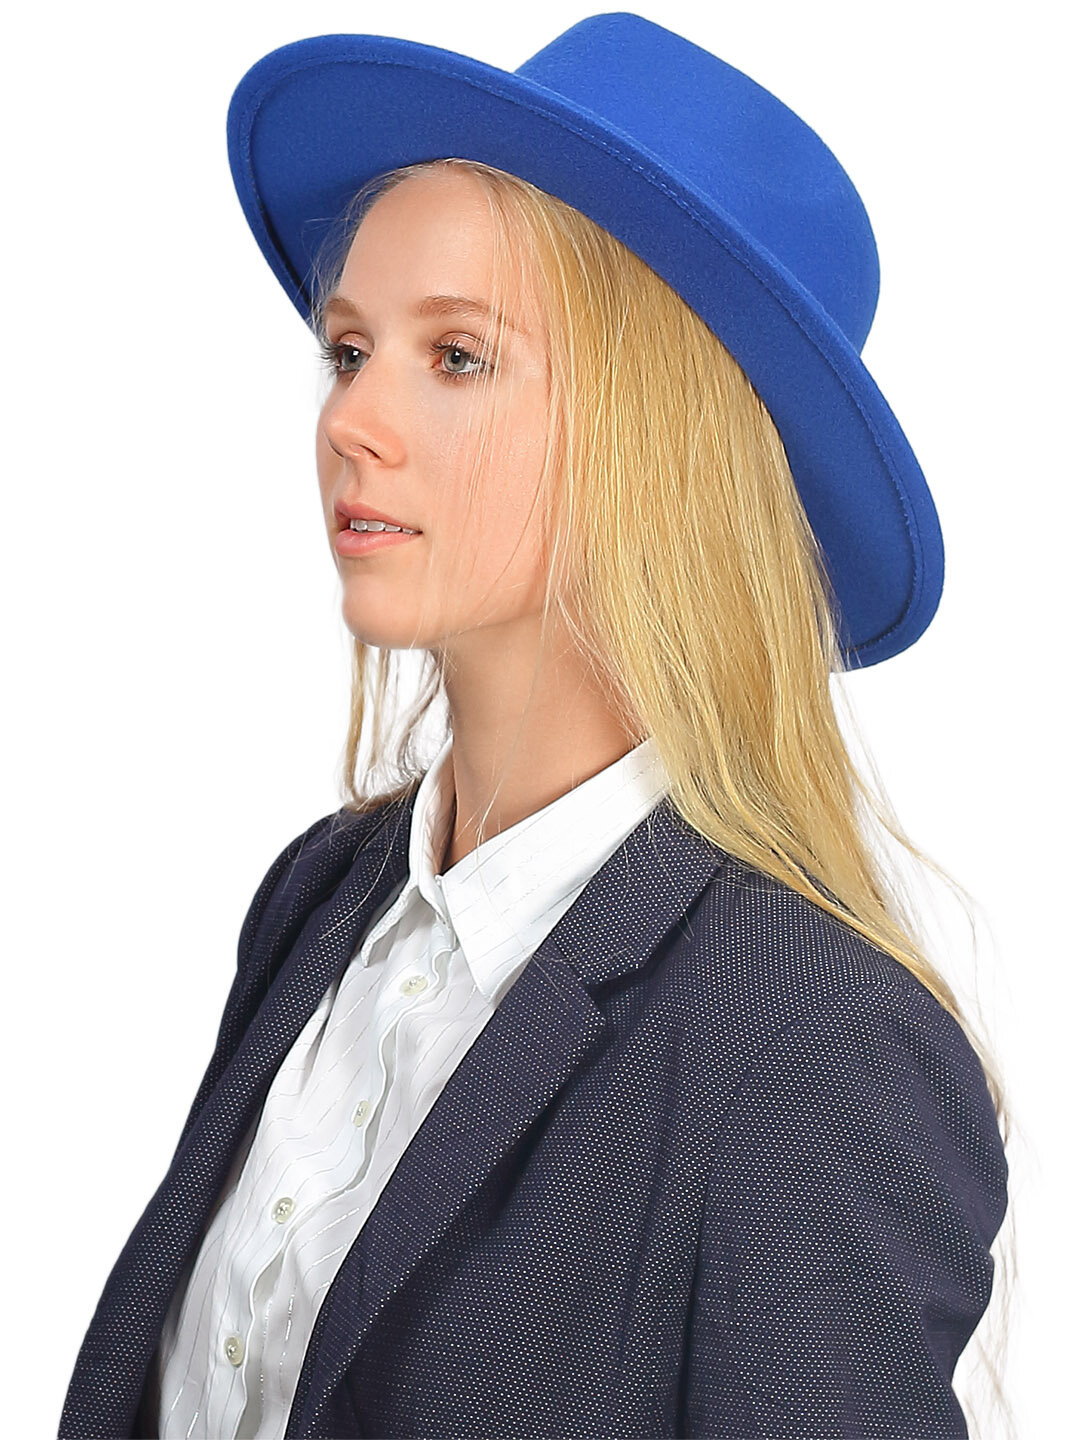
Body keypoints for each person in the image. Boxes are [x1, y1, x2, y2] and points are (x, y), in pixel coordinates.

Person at [58, 13, 1012, 1439]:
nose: (351, 419)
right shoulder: (320, 898)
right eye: (349, 350)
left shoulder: (809, 1040)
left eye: (457, 356)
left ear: (664, 436)